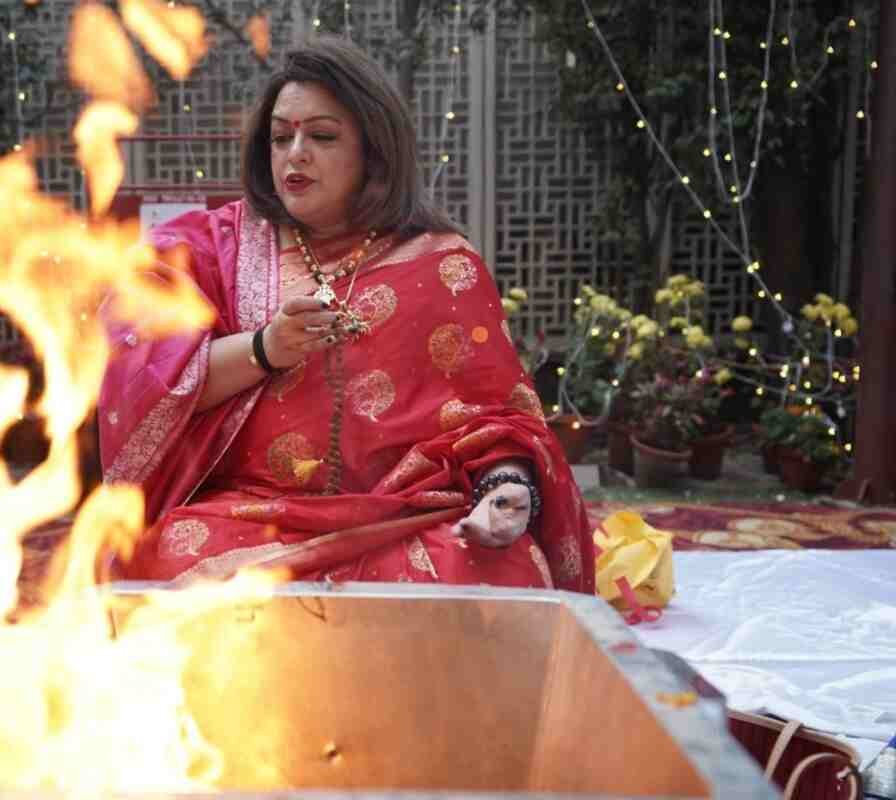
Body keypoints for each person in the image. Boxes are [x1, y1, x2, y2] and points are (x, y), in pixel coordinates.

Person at [100, 39, 594, 590]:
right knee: (169, 553)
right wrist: (266, 348)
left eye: (322, 136)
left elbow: (498, 422)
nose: (295, 154)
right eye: (281, 137)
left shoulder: (441, 265)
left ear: (373, 149)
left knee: (505, 567)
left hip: (404, 515)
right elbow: (151, 379)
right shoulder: (218, 249)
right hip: (253, 515)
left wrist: (505, 490)